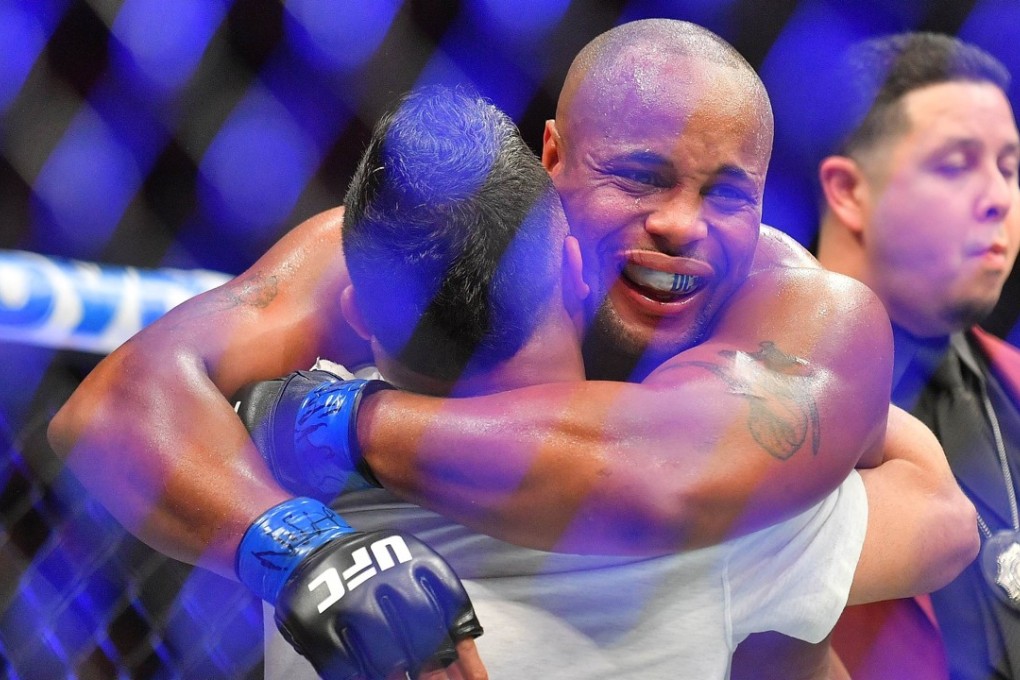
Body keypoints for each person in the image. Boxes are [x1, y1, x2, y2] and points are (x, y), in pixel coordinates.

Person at [46, 19, 976, 677]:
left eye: (729, 194)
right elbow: (109, 406)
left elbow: (658, 478)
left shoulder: (802, 316)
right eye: (641, 178)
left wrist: (333, 422)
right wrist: (304, 553)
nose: (682, 226)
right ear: (554, 160)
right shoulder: (400, 249)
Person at [813, 33, 1020, 679]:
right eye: (957, 164)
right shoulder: (744, 393)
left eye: (1010, 167)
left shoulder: (1013, 382)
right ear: (849, 192)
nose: (999, 199)